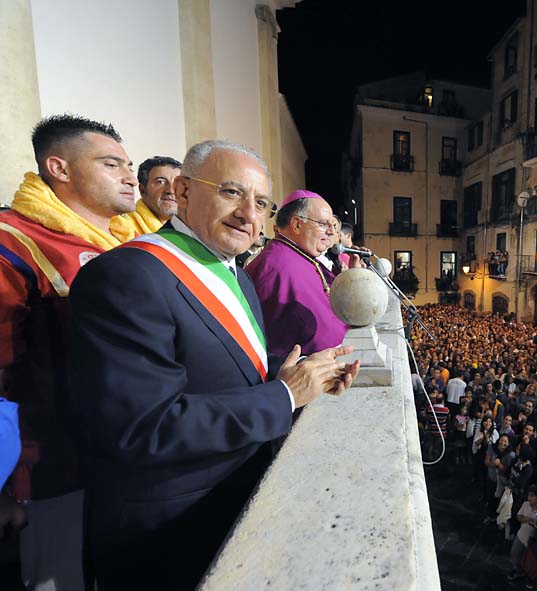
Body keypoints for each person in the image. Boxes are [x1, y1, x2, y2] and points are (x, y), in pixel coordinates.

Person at [66, 139, 360, 590]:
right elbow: (141, 427)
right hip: (169, 532)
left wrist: (302, 375)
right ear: (182, 192)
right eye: (230, 192)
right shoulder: (125, 275)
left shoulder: (235, 271)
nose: (248, 213)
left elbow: (228, 367)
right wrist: (285, 395)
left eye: (261, 202)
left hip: (230, 503)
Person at [0, 114, 139, 590]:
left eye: (129, 164)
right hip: (49, 468)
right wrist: (8, 481)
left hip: (117, 458)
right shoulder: (12, 242)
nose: (128, 176)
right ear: (59, 168)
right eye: (110, 163)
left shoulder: (121, 243)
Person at [245, 190, 354, 358]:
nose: (332, 232)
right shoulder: (276, 267)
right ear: (296, 224)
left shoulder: (304, 255)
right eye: (324, 224)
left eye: (333, 225)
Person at [125, 155, 181, 234]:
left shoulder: (189, 231)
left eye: (177, 184)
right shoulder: (124, 229)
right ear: (142, 190)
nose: (171, 190)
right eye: (161, 182)